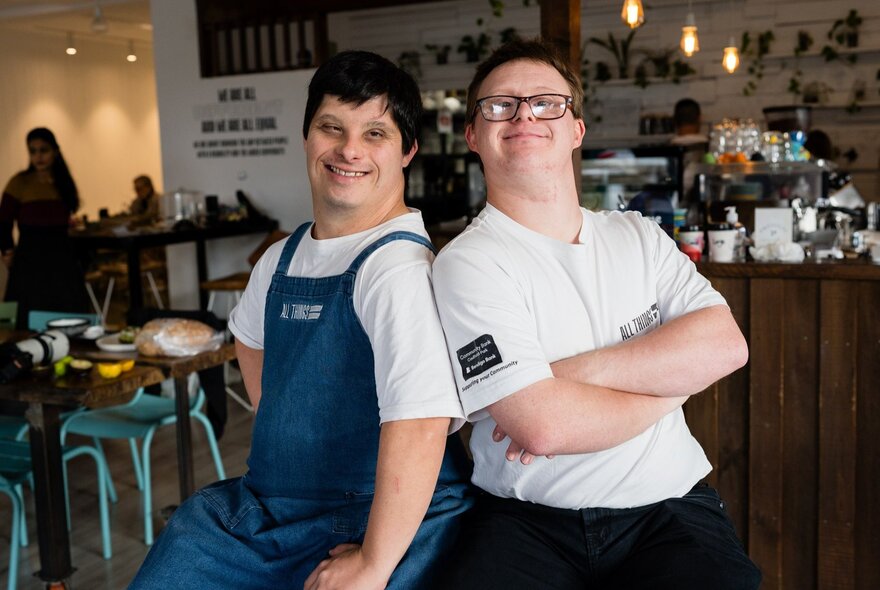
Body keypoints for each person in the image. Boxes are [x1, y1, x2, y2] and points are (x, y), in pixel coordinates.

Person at [130, 50, 472, 589]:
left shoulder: (397, 268)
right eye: (330, 127)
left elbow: (422, 425)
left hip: (381, 512)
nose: (349, 150)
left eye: (374, 134)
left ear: (408, 150)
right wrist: (289, 429)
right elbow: (247, 339)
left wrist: (372, 564)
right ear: (307, 137)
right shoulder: (281, 257)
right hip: (275, 504)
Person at [432, 39, 761, 589]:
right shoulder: (467, 261)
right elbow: (543, 425)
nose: (523, 115)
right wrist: (674, 386)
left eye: (546, 102)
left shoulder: (637, 234)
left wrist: (562, 377)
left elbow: (726, 347)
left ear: (577, 129)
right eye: (499, 105)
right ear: (473, 134)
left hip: (670, 509)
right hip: (525, 521)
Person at [0, 127, 90, 329]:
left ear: (55, 151)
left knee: (68, 316)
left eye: (44, 150)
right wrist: (7, 251)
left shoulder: (63, 183)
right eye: (33, 151)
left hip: (61, 258)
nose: (38, 156)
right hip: (30, 259)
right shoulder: (19, 182)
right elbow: (3, 222)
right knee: (27, 317)